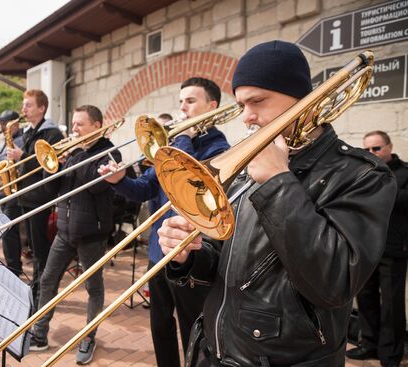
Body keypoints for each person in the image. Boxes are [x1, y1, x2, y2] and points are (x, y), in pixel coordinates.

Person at [157, 40, 398, 367]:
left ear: (304, 98)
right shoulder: (243, 166)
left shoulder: (362, 174)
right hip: (214, 351)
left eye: (257, 101)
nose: (247, 117)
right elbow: (221, 259)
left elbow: (336, 281)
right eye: (241, 104)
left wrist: (276, 182)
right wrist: (190, 255)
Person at [98, 77, 230, 367]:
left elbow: (193, 185)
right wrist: (119, 180)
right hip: (159, 253)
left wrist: (181, 140)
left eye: (191, 101)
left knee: (192, 331)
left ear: (212, 106)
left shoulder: (219, 148)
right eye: (181, 101)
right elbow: (144, 188)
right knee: (160, 326)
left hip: (192, 256)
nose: (183, 107)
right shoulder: (170, 147)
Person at [29, 105, 120, 364]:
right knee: (47, 280)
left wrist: (77, 154)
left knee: (93, 287)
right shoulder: (72, 153)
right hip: (65, 230)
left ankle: (89, 336)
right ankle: (40, 333)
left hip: (92, 234)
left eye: (80, 124)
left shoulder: (109, 153)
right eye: (73, 124)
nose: (74, 130)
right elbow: (53, 189)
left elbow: (94, 184)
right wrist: (53, 166)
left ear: (97, 124)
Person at [346, 130, 408, 367]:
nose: (371, 153)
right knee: (365, 298)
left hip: (393, 249)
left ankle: (390, 354)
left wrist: (378, 187)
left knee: (392, 304)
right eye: (367, 150)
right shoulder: (363, 172)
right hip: (366, 247)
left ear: (389, 147)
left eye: (376, 148)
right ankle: (368, 344)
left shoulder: (404, 172)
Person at [6, 89, 63, 304]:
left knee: (40, 248)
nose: (23, 109)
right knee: (33, 245)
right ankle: (38, 284)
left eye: (28, 105)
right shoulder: (29, 132)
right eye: (24, 105)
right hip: (26, 195)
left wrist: (23, 157)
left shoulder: (52, 133)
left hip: (40, 196)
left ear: (41, 108)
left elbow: (49, 166)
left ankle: (43, 289)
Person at [0, 110, 24, 276]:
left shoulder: (21, 139)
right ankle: (13, 265)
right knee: (8, 232)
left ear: (13, 124)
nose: (0, 127)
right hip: (4, 190)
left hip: (13, 190)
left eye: (3, 123)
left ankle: (14, 268)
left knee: (10, 232)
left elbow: (12, 160)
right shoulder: (8, 139)